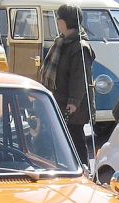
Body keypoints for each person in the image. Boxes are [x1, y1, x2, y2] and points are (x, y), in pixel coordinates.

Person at [39, 4, 96, 163]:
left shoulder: (80, 46)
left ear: (64, 22)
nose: (57, 22)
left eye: (58, 19)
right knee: (63, 142)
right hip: (60, 101)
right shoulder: (62, 42)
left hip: (72, 108)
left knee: (75, 141)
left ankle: (84, 172)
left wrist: (73, 103)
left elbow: (80, 78)